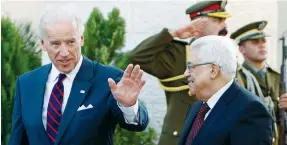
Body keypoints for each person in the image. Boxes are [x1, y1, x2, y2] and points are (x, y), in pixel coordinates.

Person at [8, 7, 149, 145]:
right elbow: (18, 139)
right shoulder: (27, 83)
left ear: (81, 39)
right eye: (56, 44)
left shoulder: (109, 79)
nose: (64, 52)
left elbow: (136, 125)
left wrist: (129, 105)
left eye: (70, 42)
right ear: (43, 44)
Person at [128, 1, 231, 144]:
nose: (224, 25)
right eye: (217, 19)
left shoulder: (228, 61)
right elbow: (136, 57)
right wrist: (173, 33)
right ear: (198, 23)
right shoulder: (179, 55)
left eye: (224, 20)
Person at [178, 35, 274, 145]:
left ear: (213, 70)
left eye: (190, 67)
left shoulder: (250, 110)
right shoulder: (197, 108)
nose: (185, 74)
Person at [230, 20, 287, 145]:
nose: (262, 45)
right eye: (255, 42)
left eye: (264, 41)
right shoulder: (236, 78)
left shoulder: (278, 77)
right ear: (242, 49)